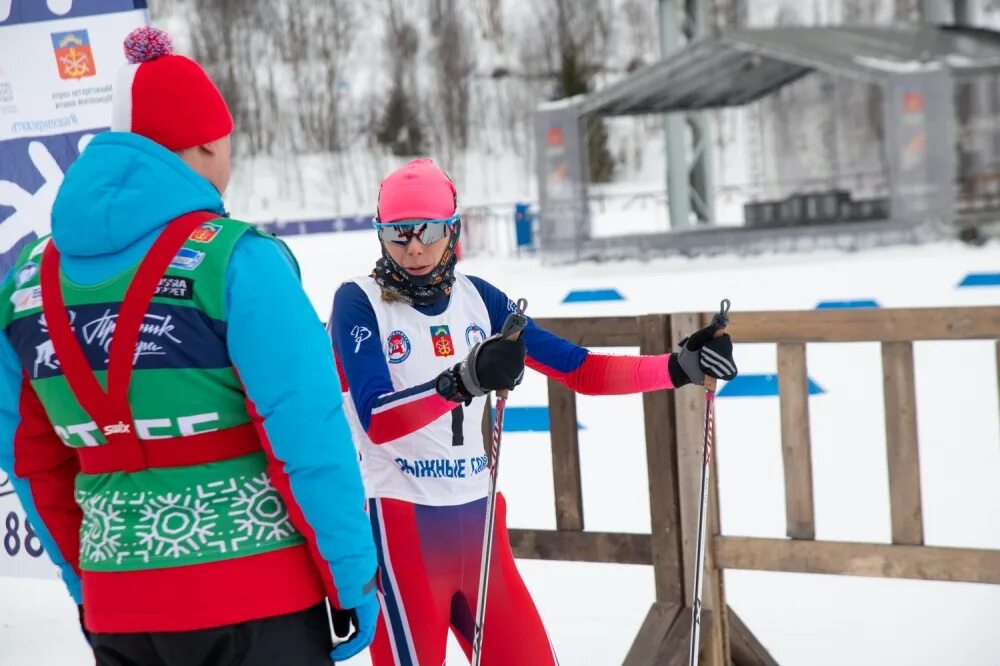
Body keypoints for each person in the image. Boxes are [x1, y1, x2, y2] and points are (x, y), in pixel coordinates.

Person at [0, 27, 377, 665]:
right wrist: (351, 581)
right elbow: (309, 438)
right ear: (205, 142)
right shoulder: (238, 261)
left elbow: (32, 463)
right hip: (260, 605)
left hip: (122, 610)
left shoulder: (23, 286)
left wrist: (88, 583)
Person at [329, 158, 738, 665]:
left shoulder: (481, 299)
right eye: (397, 233)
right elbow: (378, 419)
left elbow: (579, 369)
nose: (414, 247)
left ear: (453, 229)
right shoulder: (359, 302)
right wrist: (461, 382)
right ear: (380, 235)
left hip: (480, 530)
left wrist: (679, 367)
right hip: (401, 529)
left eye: (429, 231)